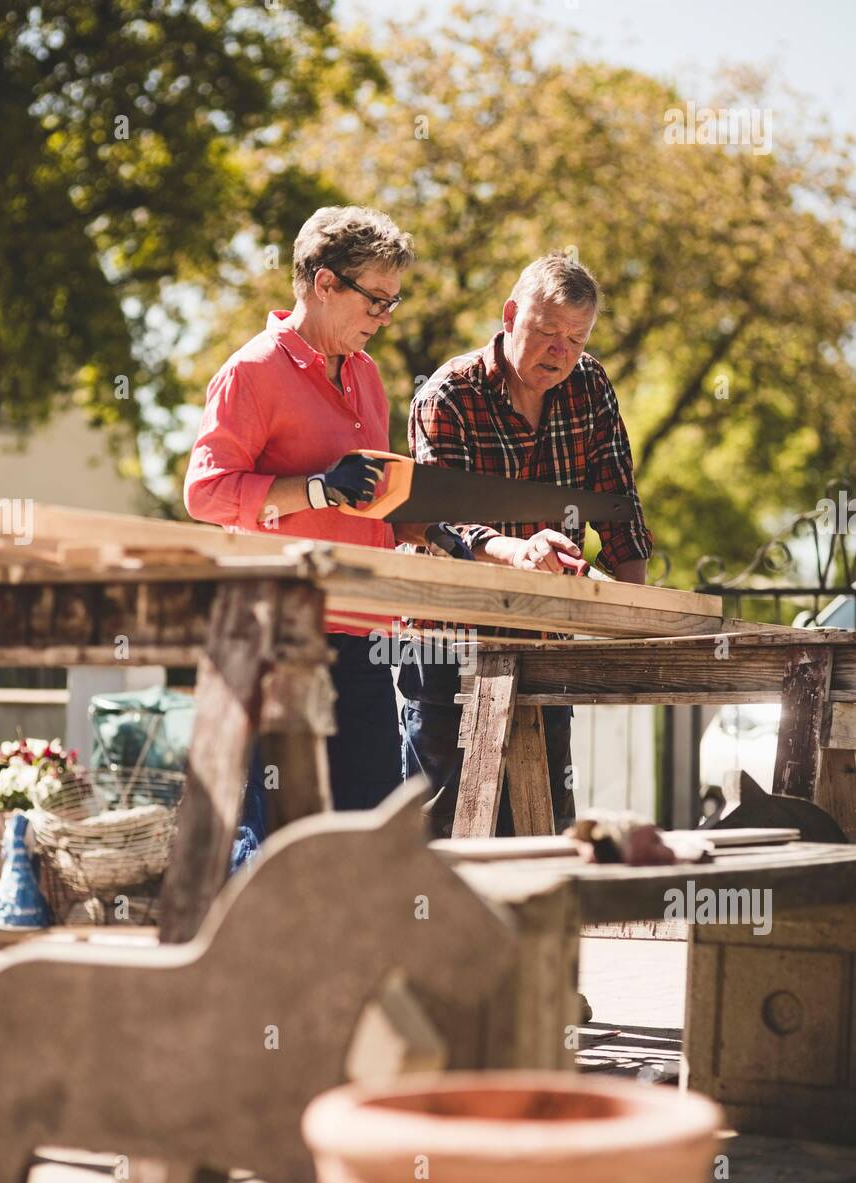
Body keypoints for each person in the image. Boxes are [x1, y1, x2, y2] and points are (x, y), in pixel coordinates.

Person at [402, 252, 654, 834]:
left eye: (576, 338)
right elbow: (442, 523)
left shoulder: (590, 385)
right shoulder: (448, 394)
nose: (560, 352)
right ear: (511, 314)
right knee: (441, 833)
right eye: (546, 332)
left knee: (540, 826)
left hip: (544, 642)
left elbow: (617, 502)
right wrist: (516, 553)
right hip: (449, 643)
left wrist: (634, 605)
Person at [184, 205, 414, 810]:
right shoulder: (251, 373)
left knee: (369, 834)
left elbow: (366, 504)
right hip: (280, 639)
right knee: (278, 835)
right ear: (325, 282)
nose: (385, 319)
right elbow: (205, 494)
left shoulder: (368, 376)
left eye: (393, 303)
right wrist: (315, 488)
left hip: (363, 631)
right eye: (376, 301)